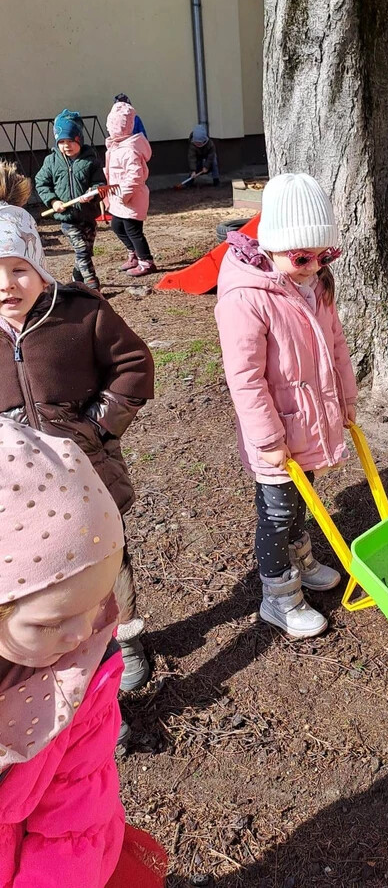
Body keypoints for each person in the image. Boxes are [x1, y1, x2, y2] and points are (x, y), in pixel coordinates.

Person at [0, 423, 167, 887]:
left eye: (97, 603)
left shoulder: (83, 676)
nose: (82, 635)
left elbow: (75, 816)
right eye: (51, 622)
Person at [0, 200, 155, 693]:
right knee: (35, 578)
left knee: (109, 560)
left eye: (18, 269)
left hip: (88, 476)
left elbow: (133, 365)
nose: (6, 285)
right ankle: (48, 655)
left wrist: (96, 427)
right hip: (17, 498)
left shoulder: (82, 313)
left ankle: (125, 638)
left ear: (40, 268)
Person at [214, 172, 357, 638]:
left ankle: (303, 560)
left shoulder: (315, 285)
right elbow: (245, 377)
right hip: (275, 431)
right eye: (301, 257)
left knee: (303, 498)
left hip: (309, 421)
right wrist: (269, 439)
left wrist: (347, 399)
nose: (314, 265)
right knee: (276, 512)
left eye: (324, 255)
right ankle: (279, 595)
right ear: (272, 247)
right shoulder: (246, 298)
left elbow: (336, 346)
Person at [34, 109, 105, 292]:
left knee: (86, 252)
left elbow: (100, 183)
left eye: (70, 141)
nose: (66, 146)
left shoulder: (91, 161)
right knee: (81, 249)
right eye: (62, 142)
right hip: (67, 217)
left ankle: (76, 278)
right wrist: (53, 201)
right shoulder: (51, 161)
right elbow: (41, 183)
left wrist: (93, 192)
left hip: (88, 215)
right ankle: (92, 286)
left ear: (79, 139)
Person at [104, 100, 156, 277]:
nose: (111, 129)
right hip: (119, 198)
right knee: (117, 225)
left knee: (134, 231)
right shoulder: (115, 146)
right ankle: (132, 254)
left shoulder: (130, 149)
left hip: (132, 198)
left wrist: (125, 194)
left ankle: (146, 261)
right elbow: (113, 170)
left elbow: (135, 176)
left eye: (114, 126)